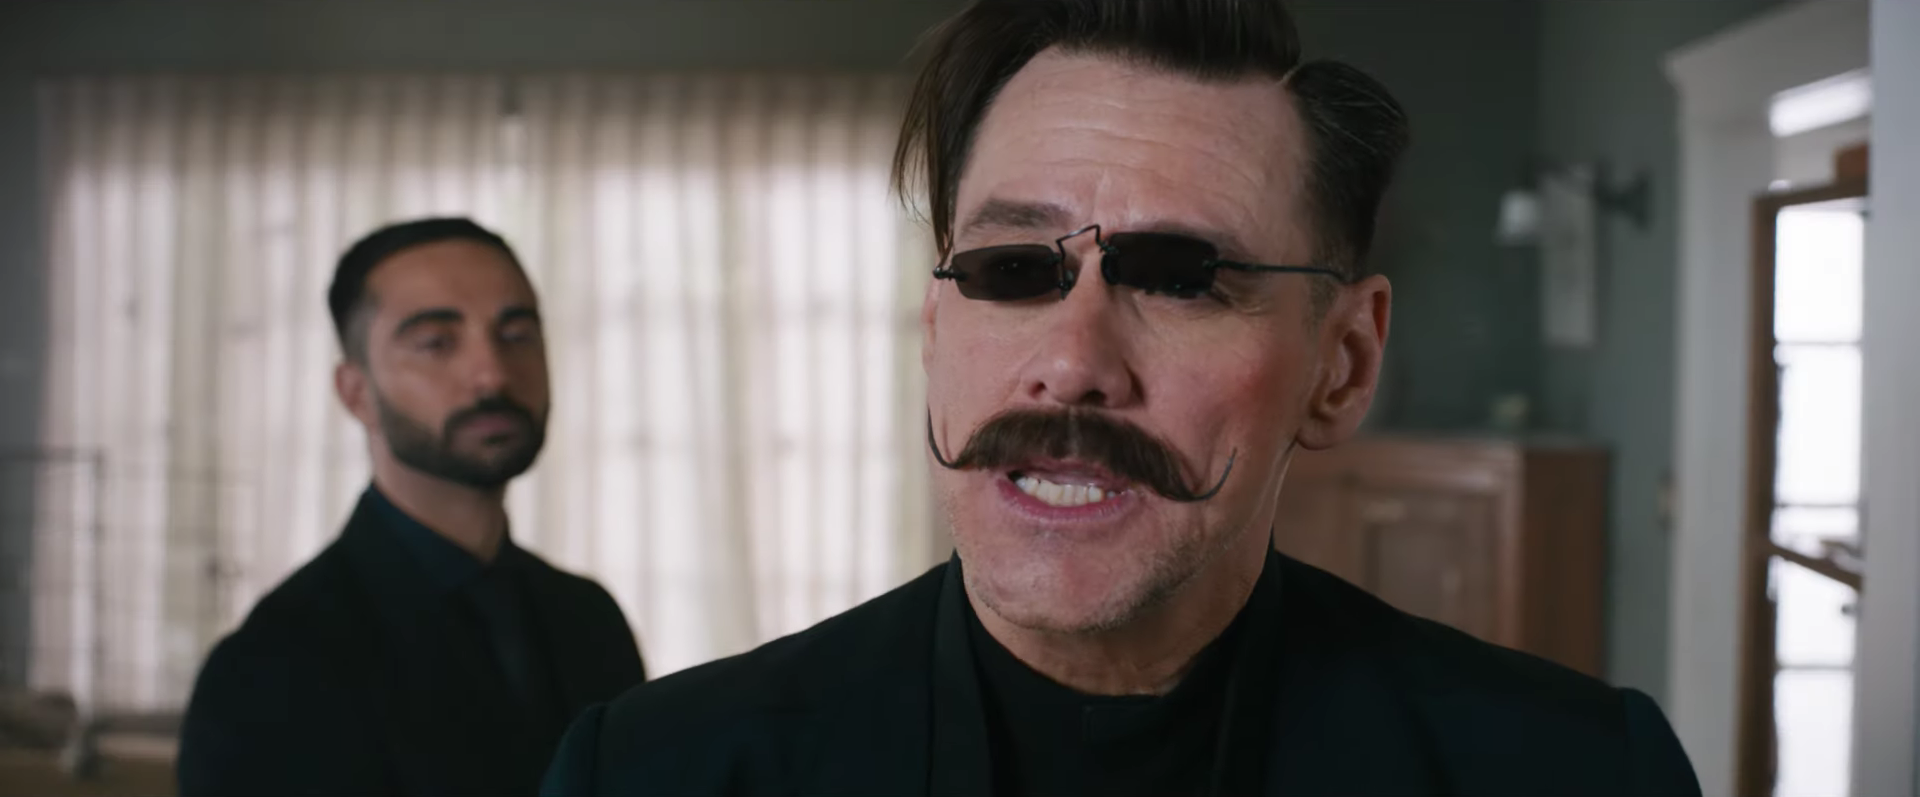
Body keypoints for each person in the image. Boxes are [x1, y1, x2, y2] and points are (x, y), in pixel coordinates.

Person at [541, 1, 1702, 794]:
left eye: (1182, 279)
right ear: (935, 331)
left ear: (1342, 363)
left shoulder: (1579, 769)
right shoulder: (652, 771)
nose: (1073, 361)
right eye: (1012, 269)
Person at [177, 218, 647, 797]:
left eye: (516, 334)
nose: (492, 374)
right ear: (356, 393)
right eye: (436, 343)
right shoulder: (272, 667)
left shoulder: (589, 621)